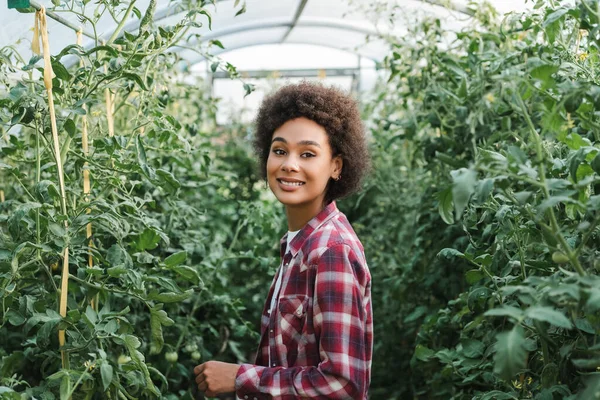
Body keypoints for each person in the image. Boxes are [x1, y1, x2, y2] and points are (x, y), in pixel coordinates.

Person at [194, 81, 373, 399]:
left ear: (336, 166)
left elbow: (344, 385)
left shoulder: (331, 251)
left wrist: (240, 377)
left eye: (307, 153)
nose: (289, 164)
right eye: (279, 150)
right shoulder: (299, 245)